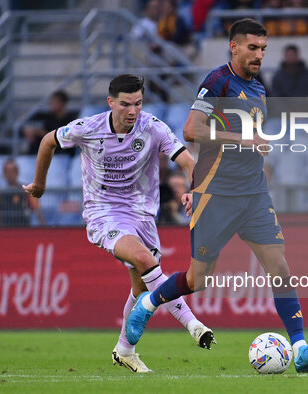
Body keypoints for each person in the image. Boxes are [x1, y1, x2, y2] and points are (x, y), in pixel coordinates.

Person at [125, 19, 308, 374]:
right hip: (216, 194)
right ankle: (149, 301)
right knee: (198, 279)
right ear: (234, 47)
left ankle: (299, 349)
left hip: (253, 193)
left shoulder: (258, 89)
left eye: (263, 49)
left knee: (279, 267)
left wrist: (257, 152)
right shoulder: (217, 82)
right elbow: (192, 130)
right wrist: (243, 139)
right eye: (253, 48)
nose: (259, 55)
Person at [22, 74, 213, 374]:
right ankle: (194, 324)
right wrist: (40, 185)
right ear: (111, 102)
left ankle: (125, 350)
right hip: (103, 212)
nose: (132, 111)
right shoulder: (89, 128)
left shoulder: (153, 127)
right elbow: (48, 141)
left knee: (140, 288)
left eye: (137, 103)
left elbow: (188, 161)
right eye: (125, 104)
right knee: (144, 259)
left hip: (142, 215)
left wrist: (194, 188)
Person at [23, 90, 79, 156]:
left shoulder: (71, 119)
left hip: (62, 152)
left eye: (55, 102)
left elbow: (63, 138)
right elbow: (24, 126)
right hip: (46, 151)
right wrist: (29, 130)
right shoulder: (46, 117)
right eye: (51, 102)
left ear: (63, 103)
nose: (51, 104)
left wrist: (41, 133)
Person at [0, 158, 45, 226]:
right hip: (5, 228)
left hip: (23, 227)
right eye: (7, 172)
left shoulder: (27, 190)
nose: (10, 174)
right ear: (3, 174)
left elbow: (37, 209)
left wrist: (43, 226)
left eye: (13, 171)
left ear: (17, 173)